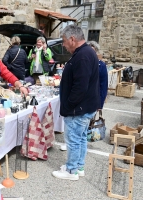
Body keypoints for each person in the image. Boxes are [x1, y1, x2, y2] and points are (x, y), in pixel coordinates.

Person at [52, 24, 100, 181]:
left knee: (73, 139)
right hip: (84, 107)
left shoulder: (83, 56)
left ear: (72, 39)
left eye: (65, 41)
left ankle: (71, 171)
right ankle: (78, 167)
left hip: (78, 109)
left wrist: (68, 106)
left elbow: (80, 87)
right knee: (80, 138)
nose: (64, 45)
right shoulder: (85, 52)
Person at [87, 41, 108, 109]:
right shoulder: (81, 63)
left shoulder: (101, 66)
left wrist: (100, 104)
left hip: (93, 100)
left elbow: (103, 86)